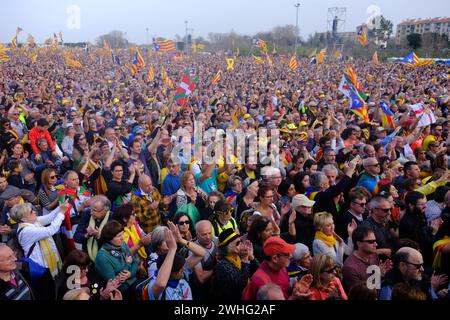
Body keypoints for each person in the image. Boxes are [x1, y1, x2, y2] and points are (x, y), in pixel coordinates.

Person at [11, 201, 70, 300]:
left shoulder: (33, 222)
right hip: (39, 268)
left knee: (51, 290)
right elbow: (51, 229)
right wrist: (61, 213)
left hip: (45, 265)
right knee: (47, 294)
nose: (34, 212)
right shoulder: (26, 230)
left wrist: (60, 208)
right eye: (31, 212)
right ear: (23, 218)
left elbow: (50, 217)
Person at [243, 236, 313, 300]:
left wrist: (296, 290)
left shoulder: (281, 268)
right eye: (287, 254)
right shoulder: (261, 282)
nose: (291, 256)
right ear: (275, 258)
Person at [94, 220, 139, 299]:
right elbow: (115, 283)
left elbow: (135, 263)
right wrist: (128, 264)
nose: (122, 238)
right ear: (109, 239)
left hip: (135, 283)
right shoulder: (102, 257)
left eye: (122, 234)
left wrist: (130, 274)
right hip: (122, 293)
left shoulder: (122, 244)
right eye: (118, 236)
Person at [342, 225, 393, 291]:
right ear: (359, 243)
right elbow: (362, 294)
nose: (376, 244)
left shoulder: (373, 254)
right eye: (371, 242)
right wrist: (378, 275)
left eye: (375, 241)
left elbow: (376, 285)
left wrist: (381, 274)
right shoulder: (350, 267)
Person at [213, 228, 259, 300]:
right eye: (237, 243)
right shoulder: (222, 265)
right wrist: (244, 260)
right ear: (227, 247)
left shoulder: (239, 256)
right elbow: (240, 284)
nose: (240, 244)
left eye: (240, 241)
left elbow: (258, 271)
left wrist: (251, 257)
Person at [399, 191, 442, 266]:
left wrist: (431, 227)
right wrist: (434, 232)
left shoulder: (419, 213)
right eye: (421, 204)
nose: (425, 206)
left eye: (425, 203)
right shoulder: (408, 223)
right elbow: (424, 245)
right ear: (411, 205)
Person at [73, 195, 113, 261]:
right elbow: (76, 237)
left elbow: (112, 243)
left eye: (95, 210)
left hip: (105, 258)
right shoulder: (87, 214)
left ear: (105, 210)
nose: (91, 213)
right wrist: (87, 235)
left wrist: (98, 236)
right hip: (87, 257)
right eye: (91, 209)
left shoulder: (112, 218)